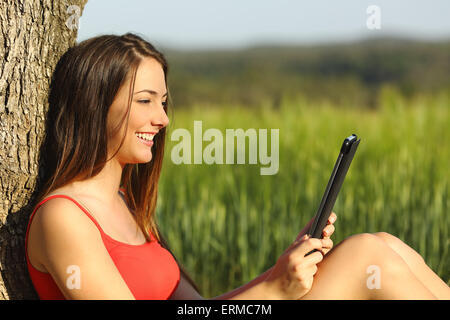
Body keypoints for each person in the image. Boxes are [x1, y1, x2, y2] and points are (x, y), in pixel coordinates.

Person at [25, 33, 450, 300]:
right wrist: (276, 291)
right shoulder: (64, 217)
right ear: (94, 105)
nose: (163, 119)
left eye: (165, 102)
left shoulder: (127, 207)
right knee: (365, 254)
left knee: (385, 244)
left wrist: (281, 271)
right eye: (145, 100)